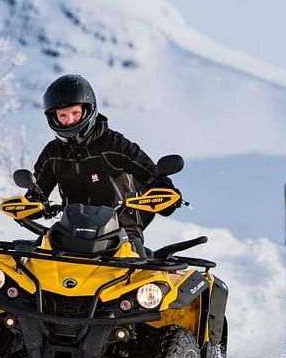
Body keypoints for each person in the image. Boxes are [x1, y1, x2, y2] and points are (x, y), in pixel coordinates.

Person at [30, 74, 179, 245]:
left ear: (88, 110)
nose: (69, 120)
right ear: (53, 117)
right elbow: (37, 193)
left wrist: (166, 192)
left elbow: (152, 175)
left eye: (75, 113)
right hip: (71, 232)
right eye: (63, 115)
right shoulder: (53, 153)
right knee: (36, 259)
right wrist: (31, 205)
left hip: (121, 231)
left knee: (135, 267)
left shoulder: (114, 145)